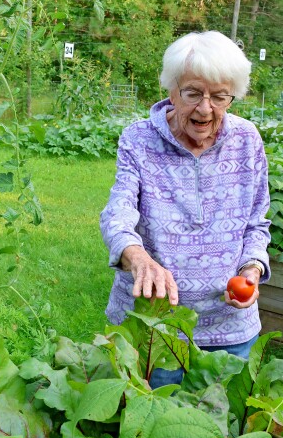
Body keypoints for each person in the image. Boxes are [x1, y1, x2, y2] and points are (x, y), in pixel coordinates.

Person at [99, 30, 271, 388]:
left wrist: (252, 269)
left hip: (229, 330)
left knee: (217, 435)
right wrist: (138, 258)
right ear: (171, 90)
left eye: (220, 96)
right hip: (152, 327)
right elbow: (118, 212)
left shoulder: (247, 140)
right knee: (148, 434)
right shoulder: (138, 139)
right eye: (193, 93)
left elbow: (257, 223)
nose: (206, 108)